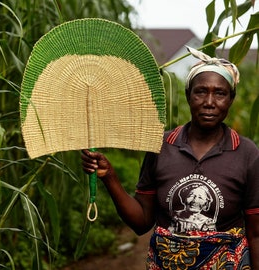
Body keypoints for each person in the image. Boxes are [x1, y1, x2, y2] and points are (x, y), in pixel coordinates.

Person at [81, 47, 259, 269]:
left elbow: (256, 233)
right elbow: (142, 222)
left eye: (220, 93)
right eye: (201, 91)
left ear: (231, 99)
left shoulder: (246, 154)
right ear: (188, 96)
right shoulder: (161, 146)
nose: (209, 102)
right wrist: (110, 177)